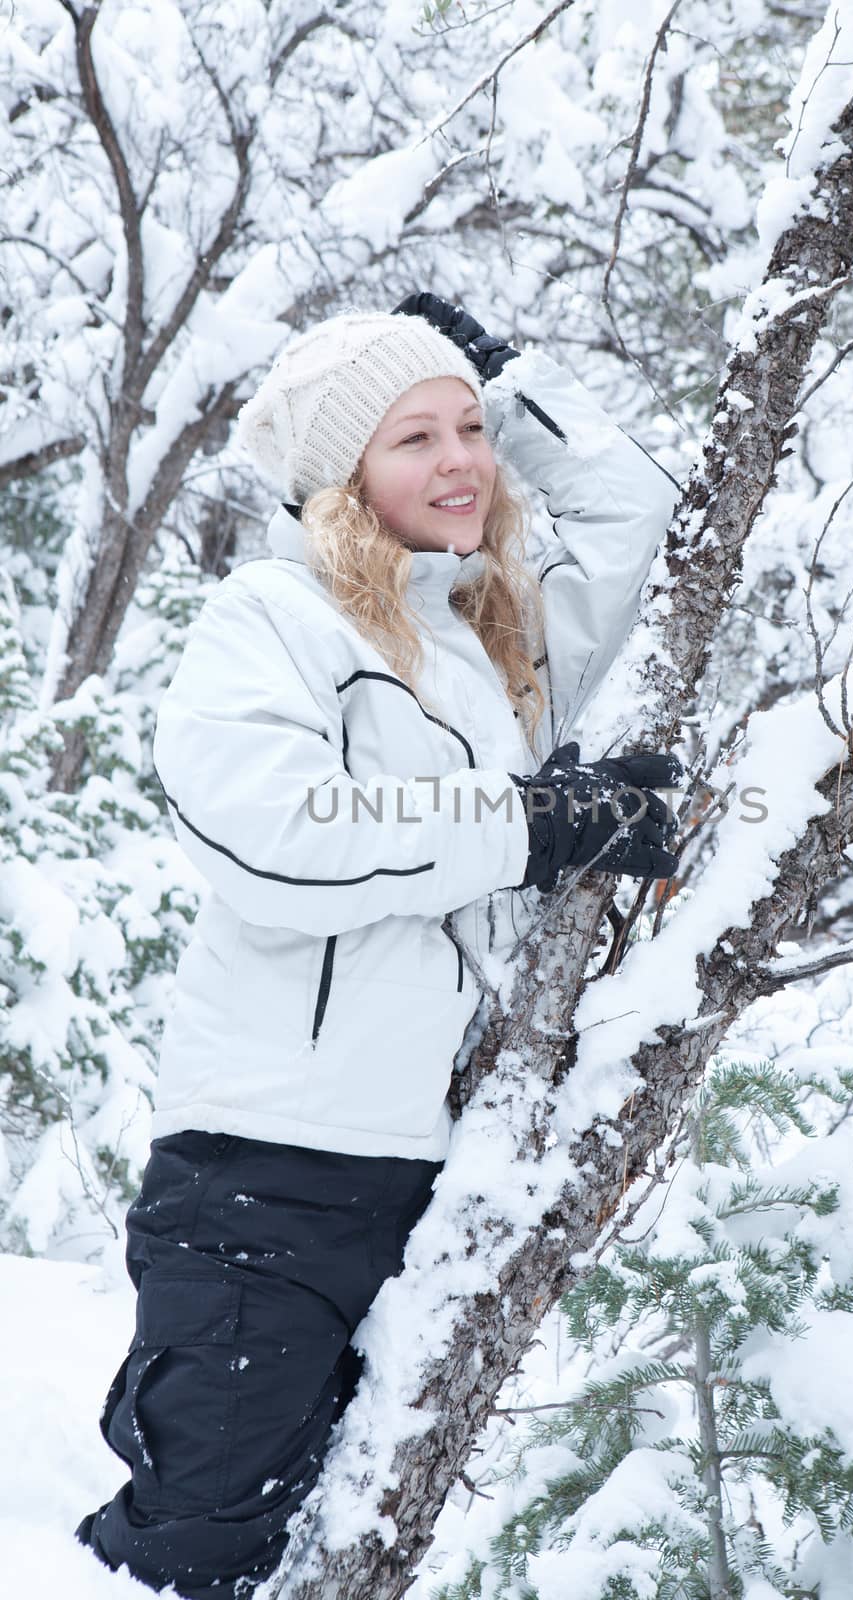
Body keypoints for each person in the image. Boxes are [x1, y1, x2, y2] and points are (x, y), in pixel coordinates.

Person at [76, 295, 684, 1598]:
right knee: (197, 1544)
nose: (461, 460)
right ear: (342, 474)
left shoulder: (490, 642)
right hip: (264, 1169)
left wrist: (509, 379)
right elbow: (274, 836)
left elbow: (638, 515)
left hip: (426, 1171)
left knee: (331, 1539)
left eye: (471, 431)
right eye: (414, 438)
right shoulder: (275, 617)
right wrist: (531, 825)